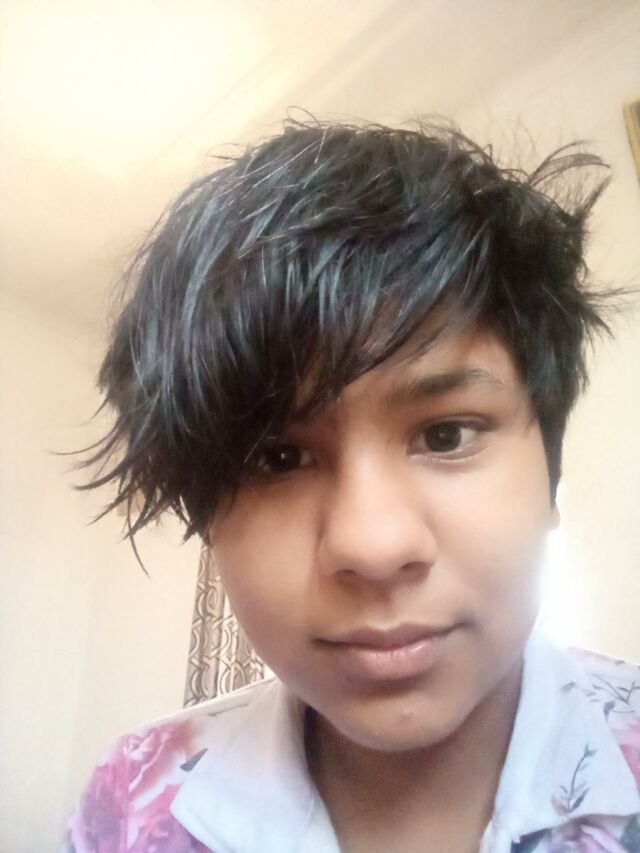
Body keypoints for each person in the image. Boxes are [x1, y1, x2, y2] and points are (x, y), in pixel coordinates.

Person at [64, 120, 640, 852]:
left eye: (446, 434)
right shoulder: (132, 801)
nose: (372, 545)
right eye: (278, 458)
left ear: (549, 476)